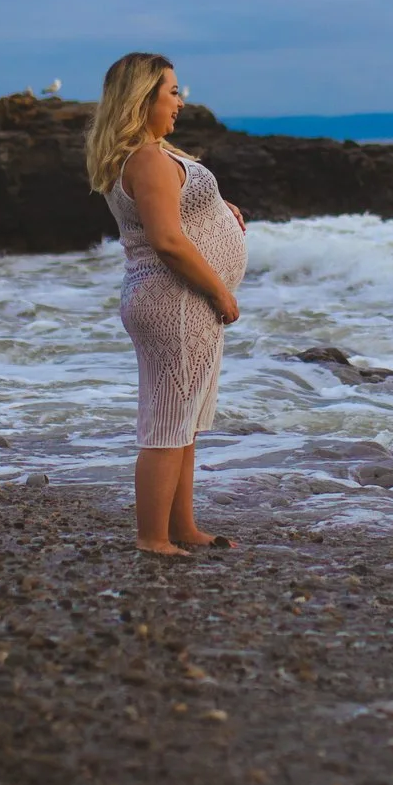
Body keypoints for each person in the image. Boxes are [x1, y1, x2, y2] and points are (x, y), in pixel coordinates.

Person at [85, 52, 247, 556]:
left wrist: (222, 211)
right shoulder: (147, 158)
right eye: (171, 92)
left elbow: (176, 215)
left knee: (184, 421)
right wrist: (220, 290)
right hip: (174, 299)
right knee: (167, 422)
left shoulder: (153, 153)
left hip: (178, 300)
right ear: (143, 98)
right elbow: (167, 241)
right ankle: (153, 537)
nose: (180, 101)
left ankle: (183, 527)